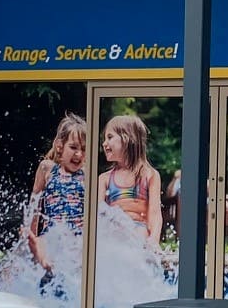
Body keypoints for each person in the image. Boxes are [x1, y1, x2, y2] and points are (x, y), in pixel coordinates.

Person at [22, 114, 88, 274]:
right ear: (60, 146)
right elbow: (35, 205)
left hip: (77, 237)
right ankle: (44, 260)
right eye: (73, 147)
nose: (79, 154)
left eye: (84, 149)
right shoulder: (47, 169)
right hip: (51, 234)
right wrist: (31, 237)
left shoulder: (87, 175)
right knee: (45, 245)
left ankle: (51, 264)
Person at [100, 113, 163, 246]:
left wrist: (154, 239)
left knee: (140, 233)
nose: (104, 143)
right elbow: (98, 216)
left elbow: (155, 213)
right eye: (105, 138)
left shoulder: (149, 175)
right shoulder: (104, 179)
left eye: (110, 137)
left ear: (127, 139)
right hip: (113, 233)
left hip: (138, 229)